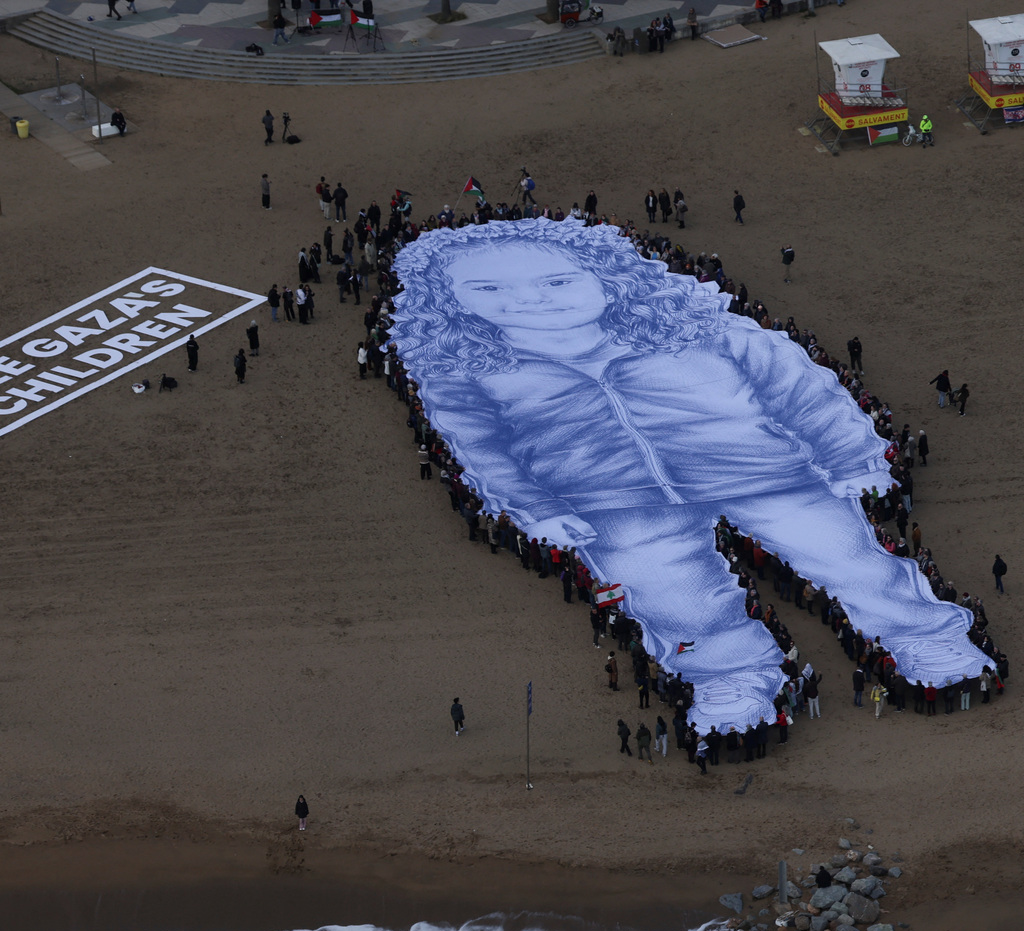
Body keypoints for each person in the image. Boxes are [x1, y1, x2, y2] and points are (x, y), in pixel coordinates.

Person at [390, 220, 991, 735]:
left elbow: (802, 390)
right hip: (611, 498)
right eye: (488, 288)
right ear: (449, 302)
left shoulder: (703, 328)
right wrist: (534, 508)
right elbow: (484, 449)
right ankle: (730, 677)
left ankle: (923, 635)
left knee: (845, 555)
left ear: (611, 278)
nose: (529, 300)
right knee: (667, 592)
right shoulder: (463, 374)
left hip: (760, 469)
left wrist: (847, 457)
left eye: (556, 280)